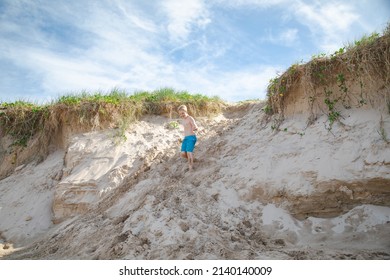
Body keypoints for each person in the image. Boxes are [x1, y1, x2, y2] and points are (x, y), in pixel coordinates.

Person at [178, 105, 199, 170]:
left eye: (183, 113)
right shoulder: (183, 120)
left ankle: (190, 168)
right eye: (180, 114)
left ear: (186, 111)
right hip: (186, 138)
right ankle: (193, 159)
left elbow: (195, 126)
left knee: (189, 153)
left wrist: (195, 129)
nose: (182, 115)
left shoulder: (190, 118)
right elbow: (185, 129)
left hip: (191, 137)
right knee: (182, 154)